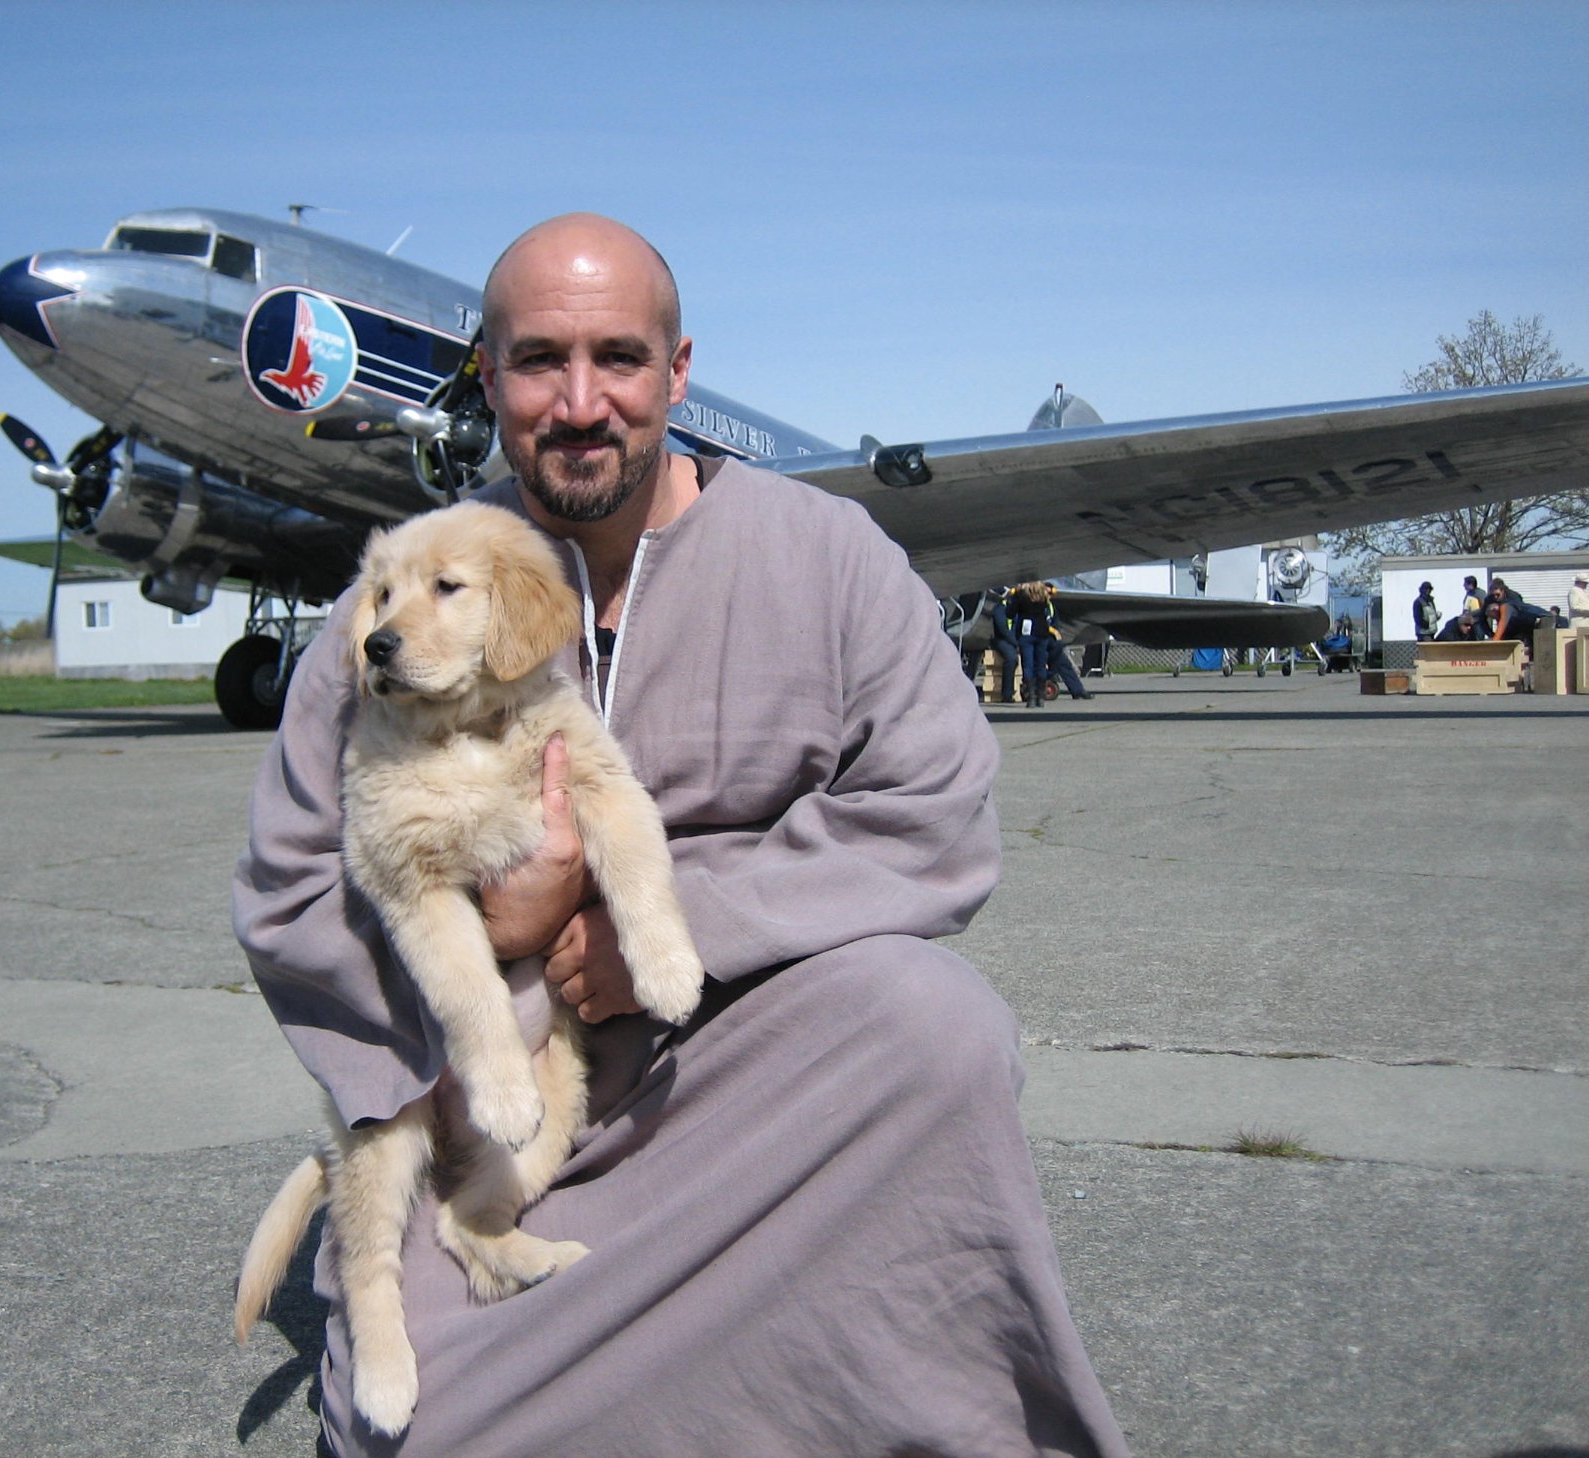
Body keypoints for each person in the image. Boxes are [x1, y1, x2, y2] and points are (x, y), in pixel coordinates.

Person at [233, 214, 1126, 1458]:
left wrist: (664, 924)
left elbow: (936, 801)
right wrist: (501, 943)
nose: (581, 402)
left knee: (934, 1021)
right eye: (540, 361)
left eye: (621, 360)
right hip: (491, 1096)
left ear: (680, 372)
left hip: (738, 1062)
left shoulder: (829, 558)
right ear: (488, 379)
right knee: (426, 1437)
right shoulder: (408, 588)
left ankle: (919, 1406)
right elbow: (285, 883)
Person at [1010, 580, 1055, 707]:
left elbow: (1010, 613)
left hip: (1026, 634)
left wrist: (1015, 596)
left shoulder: (1021, 597)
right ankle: (1041, 696)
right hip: (1041, 632)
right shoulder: (1043, 597)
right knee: (1040, 664)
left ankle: (1031, 697)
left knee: (1028, 665)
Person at [989, 586, 1020, 702]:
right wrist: (1016, 643)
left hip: (1013, 640)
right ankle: (1007, 693)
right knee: (1011, 658)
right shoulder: (999, 609)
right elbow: (1003, 630)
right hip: (1001, 640)